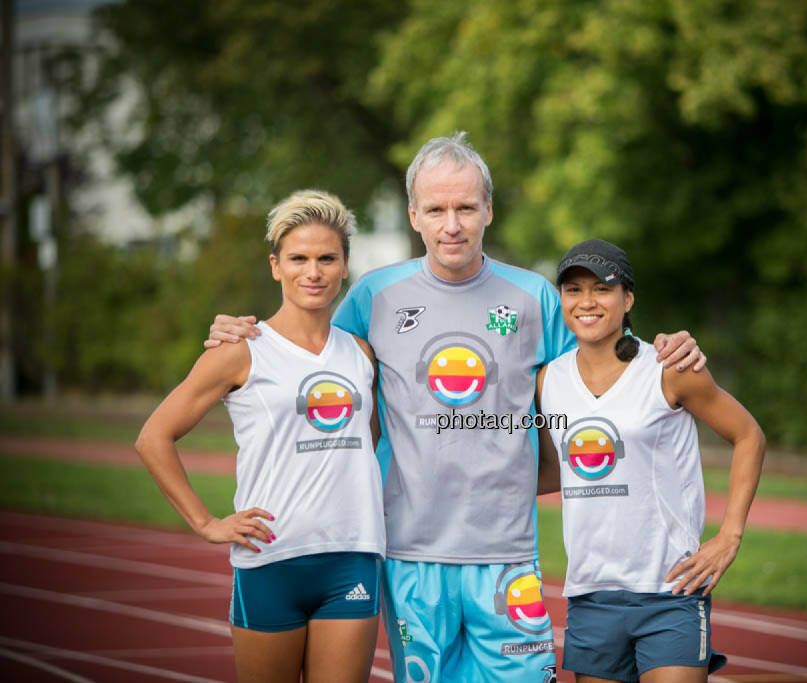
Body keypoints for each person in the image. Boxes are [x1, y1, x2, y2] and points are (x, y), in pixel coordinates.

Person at [205, 132, 706, 682]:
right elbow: (304, 343)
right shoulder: (373, 296)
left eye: (466, 207)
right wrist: (240, 329)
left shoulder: (535, 296)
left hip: (509, 556)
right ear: (414, 215)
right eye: (437, 209)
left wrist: (668, 347)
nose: (453, 224)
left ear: (488, 209)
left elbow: (599, 381)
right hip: (410, 557)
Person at [135, 190, 385, 682]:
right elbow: (153, 437)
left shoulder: (361, 353)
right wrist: (207, 523)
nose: (312, 272)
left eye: (326, 258)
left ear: (344, 267)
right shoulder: (240, 349)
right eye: (298, 258)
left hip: (352, 557)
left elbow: (369, 442)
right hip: (272, 560)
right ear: (276, 266)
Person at [535, 239, 765, 683]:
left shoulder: (669, 368)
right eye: (573, 290)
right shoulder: (548, 381)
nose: (586, 302)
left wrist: (729, 536)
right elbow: (553, 471)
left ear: (628, 299)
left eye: (601, 289)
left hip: (670, 590)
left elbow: (748, 435)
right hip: (591, 594)